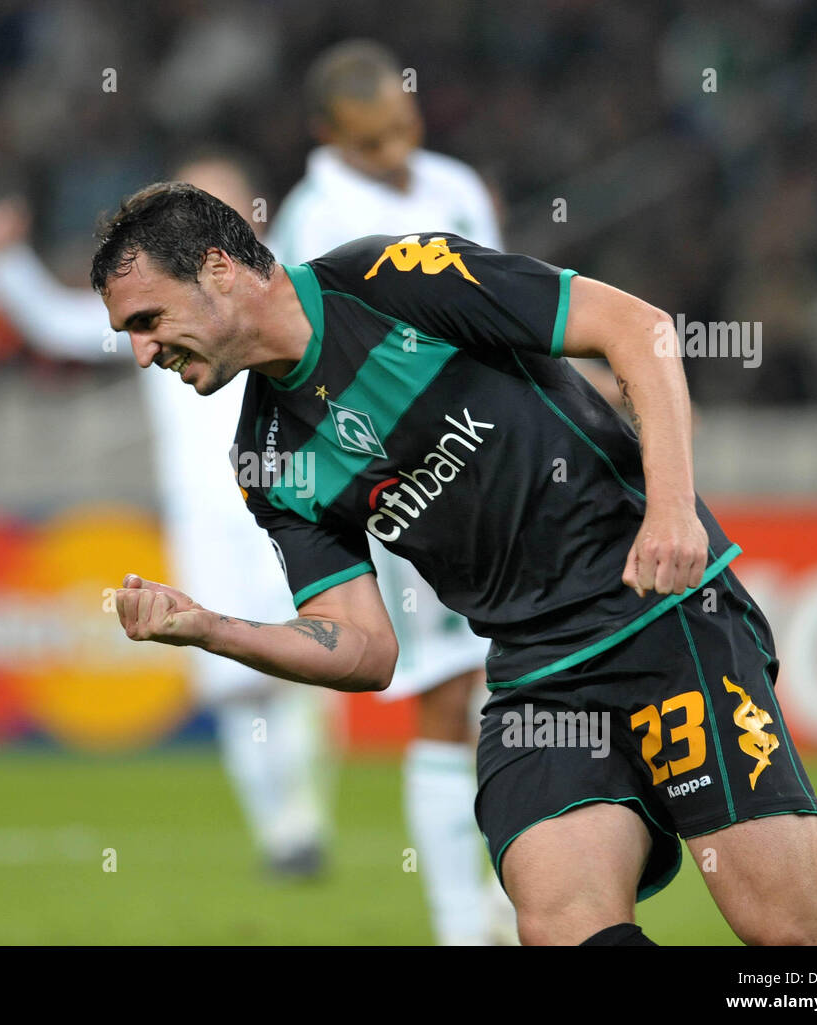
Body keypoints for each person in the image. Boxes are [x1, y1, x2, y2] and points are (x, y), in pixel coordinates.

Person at [93, 181, 817, 946]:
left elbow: (639, 330)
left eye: (147, 319)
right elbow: (365, 650)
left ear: (219, 269)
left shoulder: (392, 279)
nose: (142, 352)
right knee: (559, 921)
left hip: (658, 613)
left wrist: (669, 509)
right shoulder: (268, 460)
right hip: (533, 673)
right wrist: (211, 628)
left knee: (793, 930)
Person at [0, 152, 333, 878]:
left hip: (299, 500)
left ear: (254, 216)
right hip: (206, 517)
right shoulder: (158, 304)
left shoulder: (301, 287)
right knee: (237, 681)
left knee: (310, 664)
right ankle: (283, 836)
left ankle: (305, 817)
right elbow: (62, 326)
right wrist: (3, 265)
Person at [270, 38, 513, 945]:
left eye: (404, 129)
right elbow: (310, 365)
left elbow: (506, 304)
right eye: (373, 142)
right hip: (409, 471)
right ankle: (460, 925)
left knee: (516, 692)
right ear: (328, 134)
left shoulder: (455, 185)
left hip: (502, 455)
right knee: (448, 694)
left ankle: (503, 891)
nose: (396, 153)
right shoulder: (310, 218)